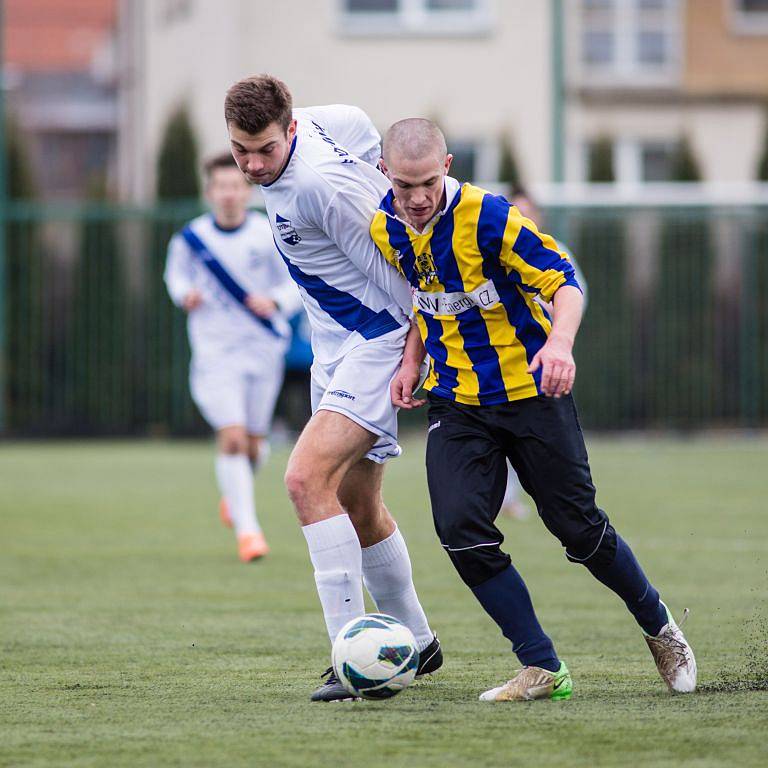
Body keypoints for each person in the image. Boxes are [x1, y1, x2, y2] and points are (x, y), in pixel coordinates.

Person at [372, 118, 696, 702]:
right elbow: (424, 299)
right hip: (457, 402)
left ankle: (659, 625)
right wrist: (409, 361)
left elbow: (565, 283)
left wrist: (561, 344)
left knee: (580, 531)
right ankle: (542, 667)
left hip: (532, 394)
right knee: (461, 532)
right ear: (384, 175)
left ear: (446, 168)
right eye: (403, 185)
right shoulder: (385, 226)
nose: (416, 199)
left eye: (426, 183)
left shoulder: (490, 216)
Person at [223, 75, 441, 701]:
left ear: (290, 130)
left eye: (265, 149)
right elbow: (360, 125)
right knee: (358, 503)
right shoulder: (317, 119)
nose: (253, 163)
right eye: (242, 150)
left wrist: (412, 357)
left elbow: (404, 277)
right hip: (333, 344)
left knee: (302, 480)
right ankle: (419, 643)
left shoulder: (324, 189)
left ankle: (351, 656)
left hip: (376, 342)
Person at [165, 153, 301, 563]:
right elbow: (175, 277)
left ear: (247, 190)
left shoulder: (266, 234)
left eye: (235, 186)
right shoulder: (190, 239)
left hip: (262, 349)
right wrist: (183, 294)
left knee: (256, 446)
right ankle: (249, 531)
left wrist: (274, 301)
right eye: (220, 187)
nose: (229, 194)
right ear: (209, 193)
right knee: (233, 437)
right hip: (215, 351)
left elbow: (296, 283)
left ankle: (235, 499)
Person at [500, 184, 589, 520]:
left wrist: (559, 336)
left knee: (545, 437)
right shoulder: (491, 248)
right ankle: (504, 498)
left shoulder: (553, 252)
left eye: (527, 211)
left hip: (542, 359)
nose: (521, 218)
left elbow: (575, 294)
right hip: (500, 363)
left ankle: (559, 498)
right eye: (514, 211)